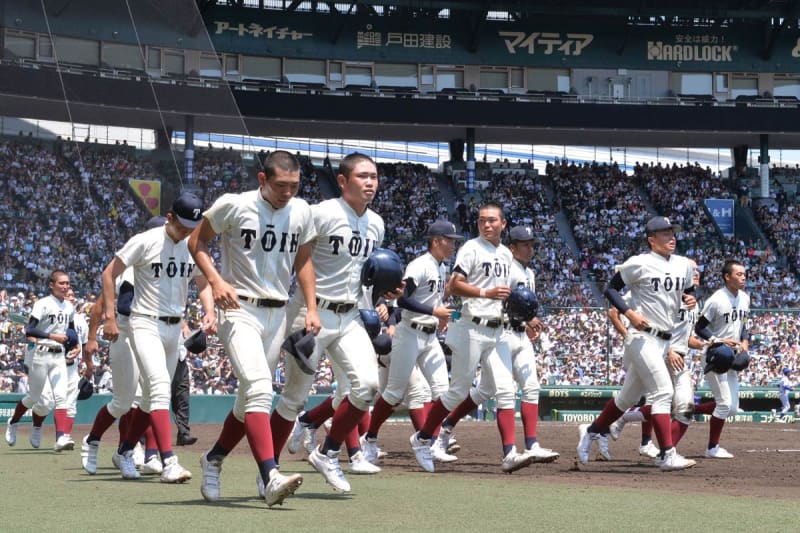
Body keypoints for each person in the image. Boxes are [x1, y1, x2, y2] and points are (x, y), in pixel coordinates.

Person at [189, 151, 318, 507]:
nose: (287, 192)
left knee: (248, 401)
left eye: (294, 186)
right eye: (280, 185)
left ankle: (213, 459)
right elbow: (196, 242)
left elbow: (304, 259)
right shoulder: (234, 205)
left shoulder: (302, 211)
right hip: (238, 307)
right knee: (261, 389)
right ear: (263, 179)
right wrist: (215, 282)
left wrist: (311, 306)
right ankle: (270, 475)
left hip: (277, 313)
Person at [270, 152, 400, 494]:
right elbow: (302, 261)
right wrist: (311, 307)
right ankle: (268, 469)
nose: (370, 182)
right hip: (310, 312)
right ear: (342, 181)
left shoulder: (377, 223)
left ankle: (327, 453)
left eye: (373, 176)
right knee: (294, 397)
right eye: (362, 176)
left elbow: (365, 274)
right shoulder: (322, 213)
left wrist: (385, 293)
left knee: (367, 387)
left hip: (349, 314)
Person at [409, 203, 532, 474]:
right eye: (481, 221)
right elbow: (455, 285)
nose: (486, 225)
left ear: (503, 223)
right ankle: (422, 438)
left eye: (491, 221)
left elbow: (511, 292)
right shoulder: (471, 248)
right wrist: (486, 293)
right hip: (471, 327)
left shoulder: (504, 254)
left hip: (497, 329)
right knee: (457, 392)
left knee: (505, 390)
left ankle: (510, 453)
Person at [102, 192, 214, 483]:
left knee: (152, 399)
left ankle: (125, 450)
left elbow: (203, 283)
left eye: (193, 226)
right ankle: (169, 462)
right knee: (161, 387)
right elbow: (108, 273)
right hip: (144, 322)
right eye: (183, 226)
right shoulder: (145, 240)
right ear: (169, 217)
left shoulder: (192, 245)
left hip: (174, 327)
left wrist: (209, 310)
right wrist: (111, 317)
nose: (188, 232)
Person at [432, 225, 560, 465]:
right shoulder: (506, 269)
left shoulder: (528, 273)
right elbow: (498, 304)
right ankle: (445, 428)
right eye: (525, 244)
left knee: (530, 387)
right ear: (512, 248)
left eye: (532, 244)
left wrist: (530, 321)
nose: (530, 249)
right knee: (487, 391)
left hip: (519, 335)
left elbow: (522, 305)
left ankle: (532, 444)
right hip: (502, 334)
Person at [577, 216, 696, 471]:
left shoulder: (684, 265)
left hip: (664, 340)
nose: (671, 237)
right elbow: (610, 289)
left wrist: (690, 300)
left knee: (625, 399)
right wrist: (629, 313)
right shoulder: (639, 263)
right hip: (642, 337)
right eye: (664, 233)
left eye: (672, 232)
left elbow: (688, 291)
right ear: (651, 240)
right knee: (664, 392)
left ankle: (591, 431)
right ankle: (667, 454)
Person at [360, 220, 461, 464]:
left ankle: (428, 440)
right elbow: (401, 301)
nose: (452, 246)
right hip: (409, 334)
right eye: (449, 241)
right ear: (436, 241)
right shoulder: (420, 265)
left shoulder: (440, 267)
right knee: (393, 393)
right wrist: (433, 312)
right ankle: (369, 438)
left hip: (429, 336)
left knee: (444, 392)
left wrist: (439, 316)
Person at [81, 215, 167, 476]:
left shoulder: (170, 265)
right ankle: (92, 440)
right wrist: (92, 337)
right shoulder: (132, 265)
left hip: (152, 332)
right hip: (126, 332)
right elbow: (111, 306)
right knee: (122, 401)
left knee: (149, 398)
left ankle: (126, 451)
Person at [609, 260, 705, 455]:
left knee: (672, 406)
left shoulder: (693, 303)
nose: (695, 273)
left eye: (697, 270)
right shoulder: (663, 292)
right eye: (691, 270)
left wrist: (707, 343)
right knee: (663, 402)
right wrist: (666, 348)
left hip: (678, 357)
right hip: (657, 351)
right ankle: (663, 450)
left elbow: (686, 338)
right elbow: (614, 312)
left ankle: (654, 444)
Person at [5, 270, 78, 452]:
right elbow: (29, 330)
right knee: (34, 397)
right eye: (61, 283)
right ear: (51, 285)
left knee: (61, 398)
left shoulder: (69, 307)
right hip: (41, 353)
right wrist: (51, 335)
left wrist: (74, 343)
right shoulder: (42, 304)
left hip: (59, 356)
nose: (65, 286)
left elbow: (71, 330)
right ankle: (13, 422)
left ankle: (61, 437)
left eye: (67, 283)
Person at [693, 259, 750, 459]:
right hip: (716, 355)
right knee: (724, 404)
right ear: (727, 277)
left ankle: (690, 410)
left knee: (732, 408)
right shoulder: (717, 299)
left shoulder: (745, 298)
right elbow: (699, 327)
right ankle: (712, 447)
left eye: (744, 274)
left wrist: (744, 342)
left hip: (732, 355)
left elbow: (744, 325)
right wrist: (717, 340)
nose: (743, 277)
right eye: (739, 274)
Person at [173, 321, 197, 446]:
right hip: (165, 359)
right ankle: (143, 436)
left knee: (183, 400)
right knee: (154, 398)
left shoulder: (184, 323)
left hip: (181, 362)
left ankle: (183, 434)